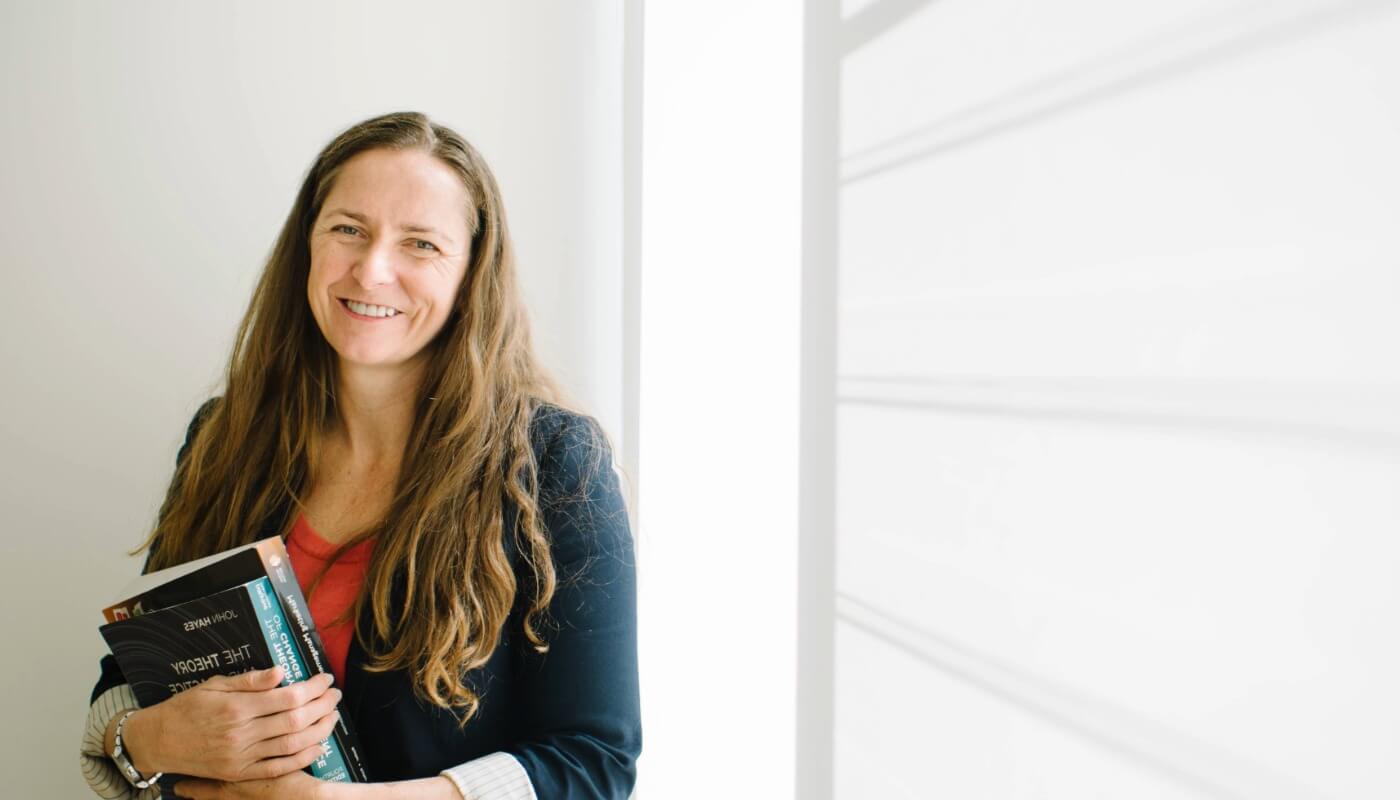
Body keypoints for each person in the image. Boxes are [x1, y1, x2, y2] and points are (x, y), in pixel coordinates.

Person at [77, 111, 641, 799]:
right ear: (307, 246)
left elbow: (593, 763)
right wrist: (152, 739)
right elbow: (125, 686)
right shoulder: (224, 438)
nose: (372, 271)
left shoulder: (555, 464)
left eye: (421, 245)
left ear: (471, 274)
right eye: (348, 229)